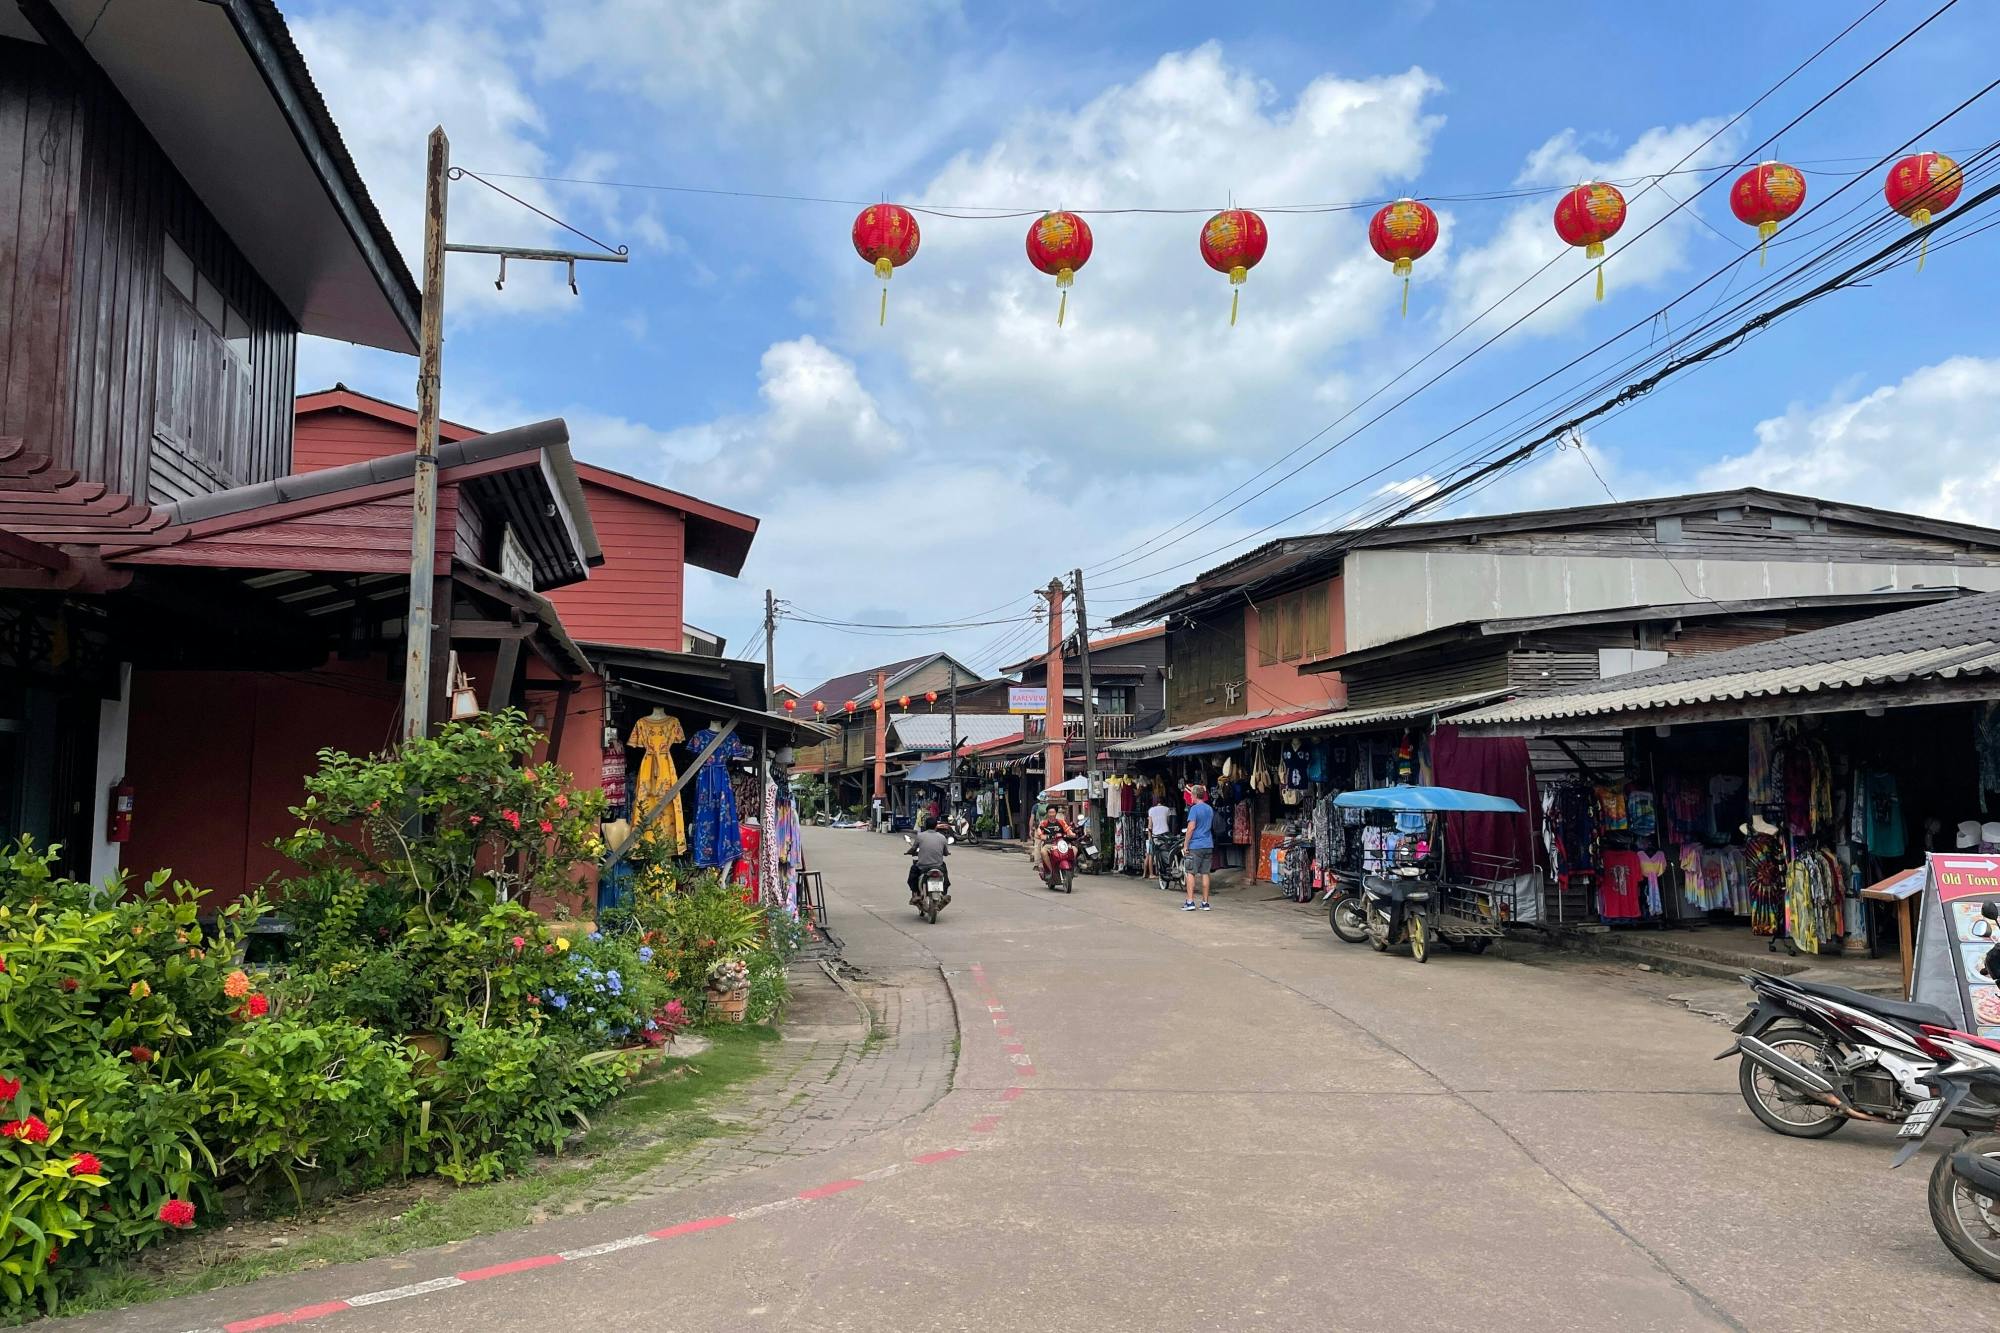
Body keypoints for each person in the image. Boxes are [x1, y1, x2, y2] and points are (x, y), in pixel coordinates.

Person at [1182, 784, 1215, 911]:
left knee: (1191, 872)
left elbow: (1191, 828)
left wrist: (1186, 845)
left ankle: (1190, 901)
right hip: (1208, 844)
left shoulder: (1194, 809)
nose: (1190, 797)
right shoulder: (1209, 809)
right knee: (1205, 873)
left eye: (1191, 795)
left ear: (1195, 795)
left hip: (1195, 845)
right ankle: (1205, 903)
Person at [907, 814, 951, 902]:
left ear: (926, 826)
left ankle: (915, 894)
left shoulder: (920, 836)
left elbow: (914, 848)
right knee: (945, 877)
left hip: (923, 866)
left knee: (913, 874)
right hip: (938, 866)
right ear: (936, 826)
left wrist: (909, 852)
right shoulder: (942, 837)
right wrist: (946, 853)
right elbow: (946, 852)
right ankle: (944, 893)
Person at [1033, 803, 1075, 882]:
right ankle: (1051, 870)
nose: (1051, 814)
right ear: (1047, 813)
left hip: (1061, 843)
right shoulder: (1043, 823)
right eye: (1050, 812)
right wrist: (1046, 836)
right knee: (1043, 852)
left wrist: (1072, 834)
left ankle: (1072, 869)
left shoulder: (1061, 822)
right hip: (1050, 844)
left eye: (1053, 812)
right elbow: (1040, 834)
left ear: (1056, 813)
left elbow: (1068, 830)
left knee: (1074, 849)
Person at [1145, 793, 1174, 877]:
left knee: (1152, 853)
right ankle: (1167, 868)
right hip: (1165, 833)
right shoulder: (1167, 809)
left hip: (1155, 834)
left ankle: (1151, 873)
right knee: (1166, 851)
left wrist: (1149, 836)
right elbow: (1168, 821)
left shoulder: (1151, 810)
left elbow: (1150, 825)